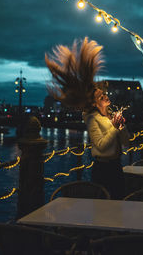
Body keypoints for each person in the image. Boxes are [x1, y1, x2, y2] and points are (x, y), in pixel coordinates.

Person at [45, 37, 129, 199]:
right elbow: (101, 146)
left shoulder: (111, 115)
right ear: (95, 102)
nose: (105, 95)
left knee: (119, 204)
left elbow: (127, 142)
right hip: (102, 169)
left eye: (104, 93)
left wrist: (121, 127)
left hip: (117, 166)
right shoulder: (91, 118)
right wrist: (113, 126)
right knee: (102, 206)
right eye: (101, 95)